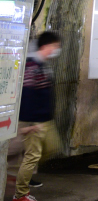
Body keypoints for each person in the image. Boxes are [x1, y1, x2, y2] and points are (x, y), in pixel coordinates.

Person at [14, 31, 61, 201]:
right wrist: (29, 124)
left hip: (44, 119)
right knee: (32, 156)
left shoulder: (42, 64)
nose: (56, 50)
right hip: (35, 120)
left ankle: (20, 177)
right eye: (55, 46)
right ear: (46, 46)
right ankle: (20, 194)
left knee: (50, 148)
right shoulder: (32, 66)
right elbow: (27, 96)